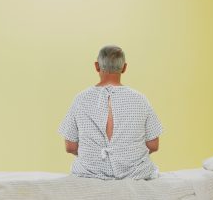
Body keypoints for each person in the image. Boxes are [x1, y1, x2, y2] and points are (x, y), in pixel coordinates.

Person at [58, 45, 163, 180]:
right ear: (124, 67)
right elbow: (153, 145)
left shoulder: (80, 99)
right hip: (134, 174)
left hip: (89, 173)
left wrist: (94, 156)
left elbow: (70, 147)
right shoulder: (140, 99)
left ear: (96, 66)